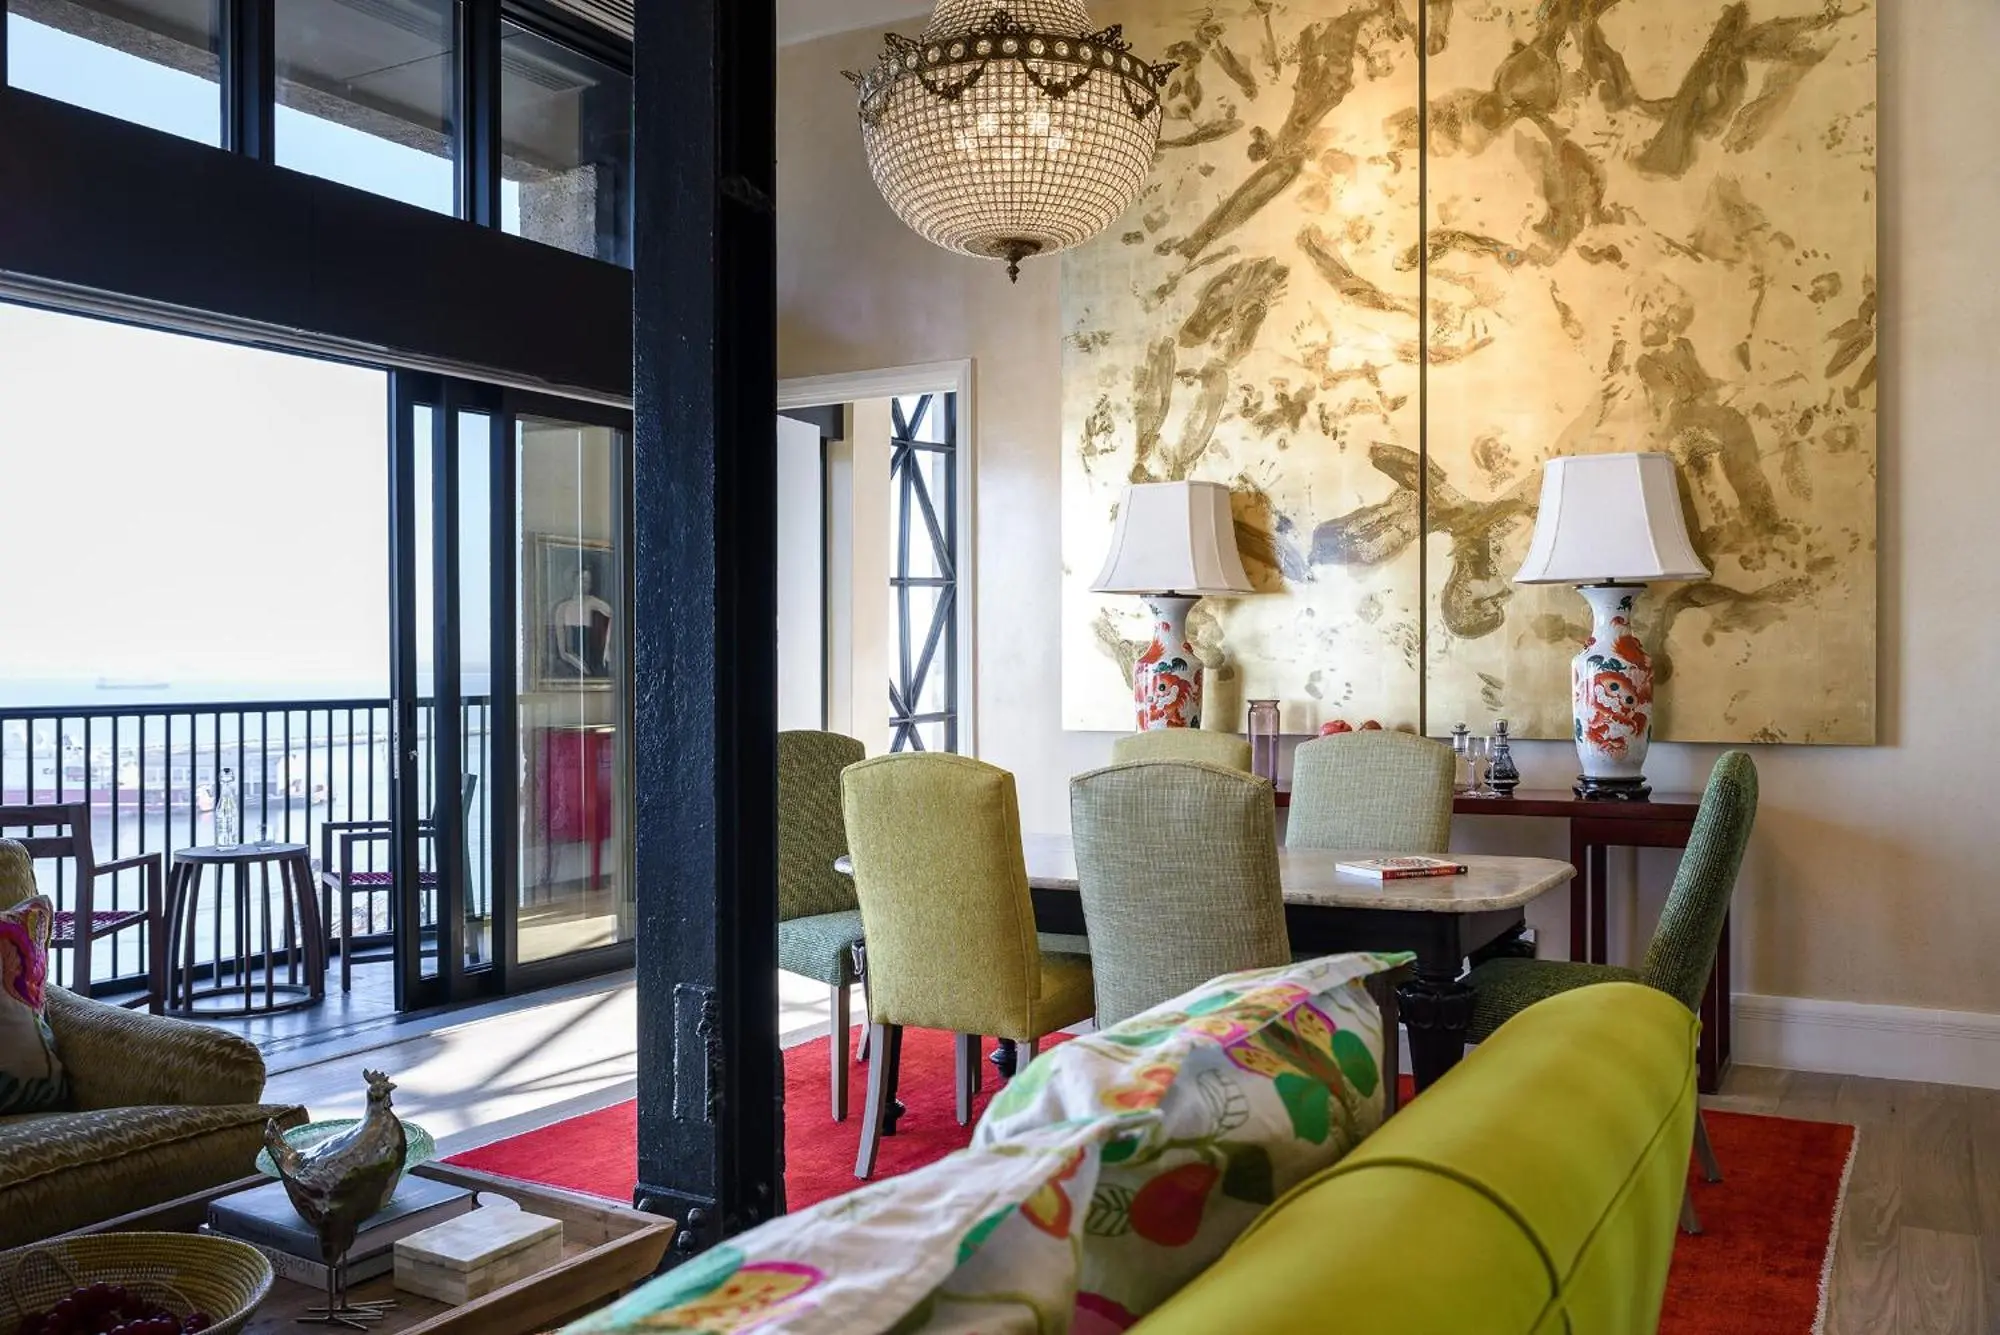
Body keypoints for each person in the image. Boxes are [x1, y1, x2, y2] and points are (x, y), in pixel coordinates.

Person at [551, 563, 614, 679]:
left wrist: (607, 647)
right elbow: (563, 651)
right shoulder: (562, 608)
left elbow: (612, 614)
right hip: (571, 663)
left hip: (592, 659)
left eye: (588, 582)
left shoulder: (592, 602)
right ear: (575, 580)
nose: (586, 585)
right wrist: (579, 665)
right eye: (583, 580)